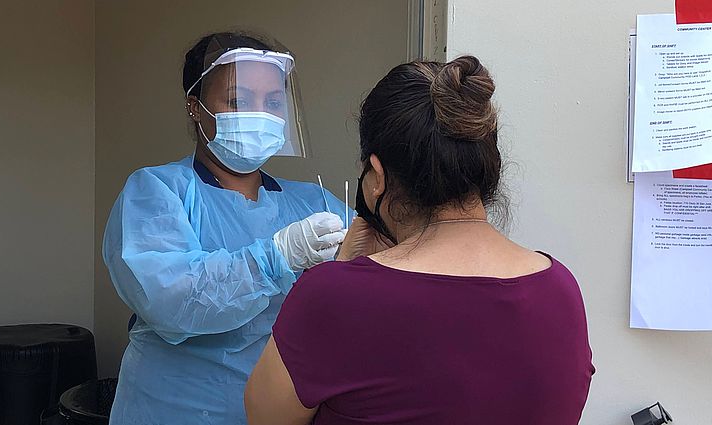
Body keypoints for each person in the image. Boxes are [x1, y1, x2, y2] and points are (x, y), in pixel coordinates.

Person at [245, 56, 595, 425]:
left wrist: (344, 275)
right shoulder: (560, 289)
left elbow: (265, 418)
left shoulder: (331, 296)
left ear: (377, 176)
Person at [103, 32, 349, 425]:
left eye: (272, 102)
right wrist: (276, 259)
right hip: (173, 411)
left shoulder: (312, 203)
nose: (260, 114)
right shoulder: (156, 192)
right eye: (238, 101)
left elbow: (381, 265)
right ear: (194, 106)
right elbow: (175, 302)